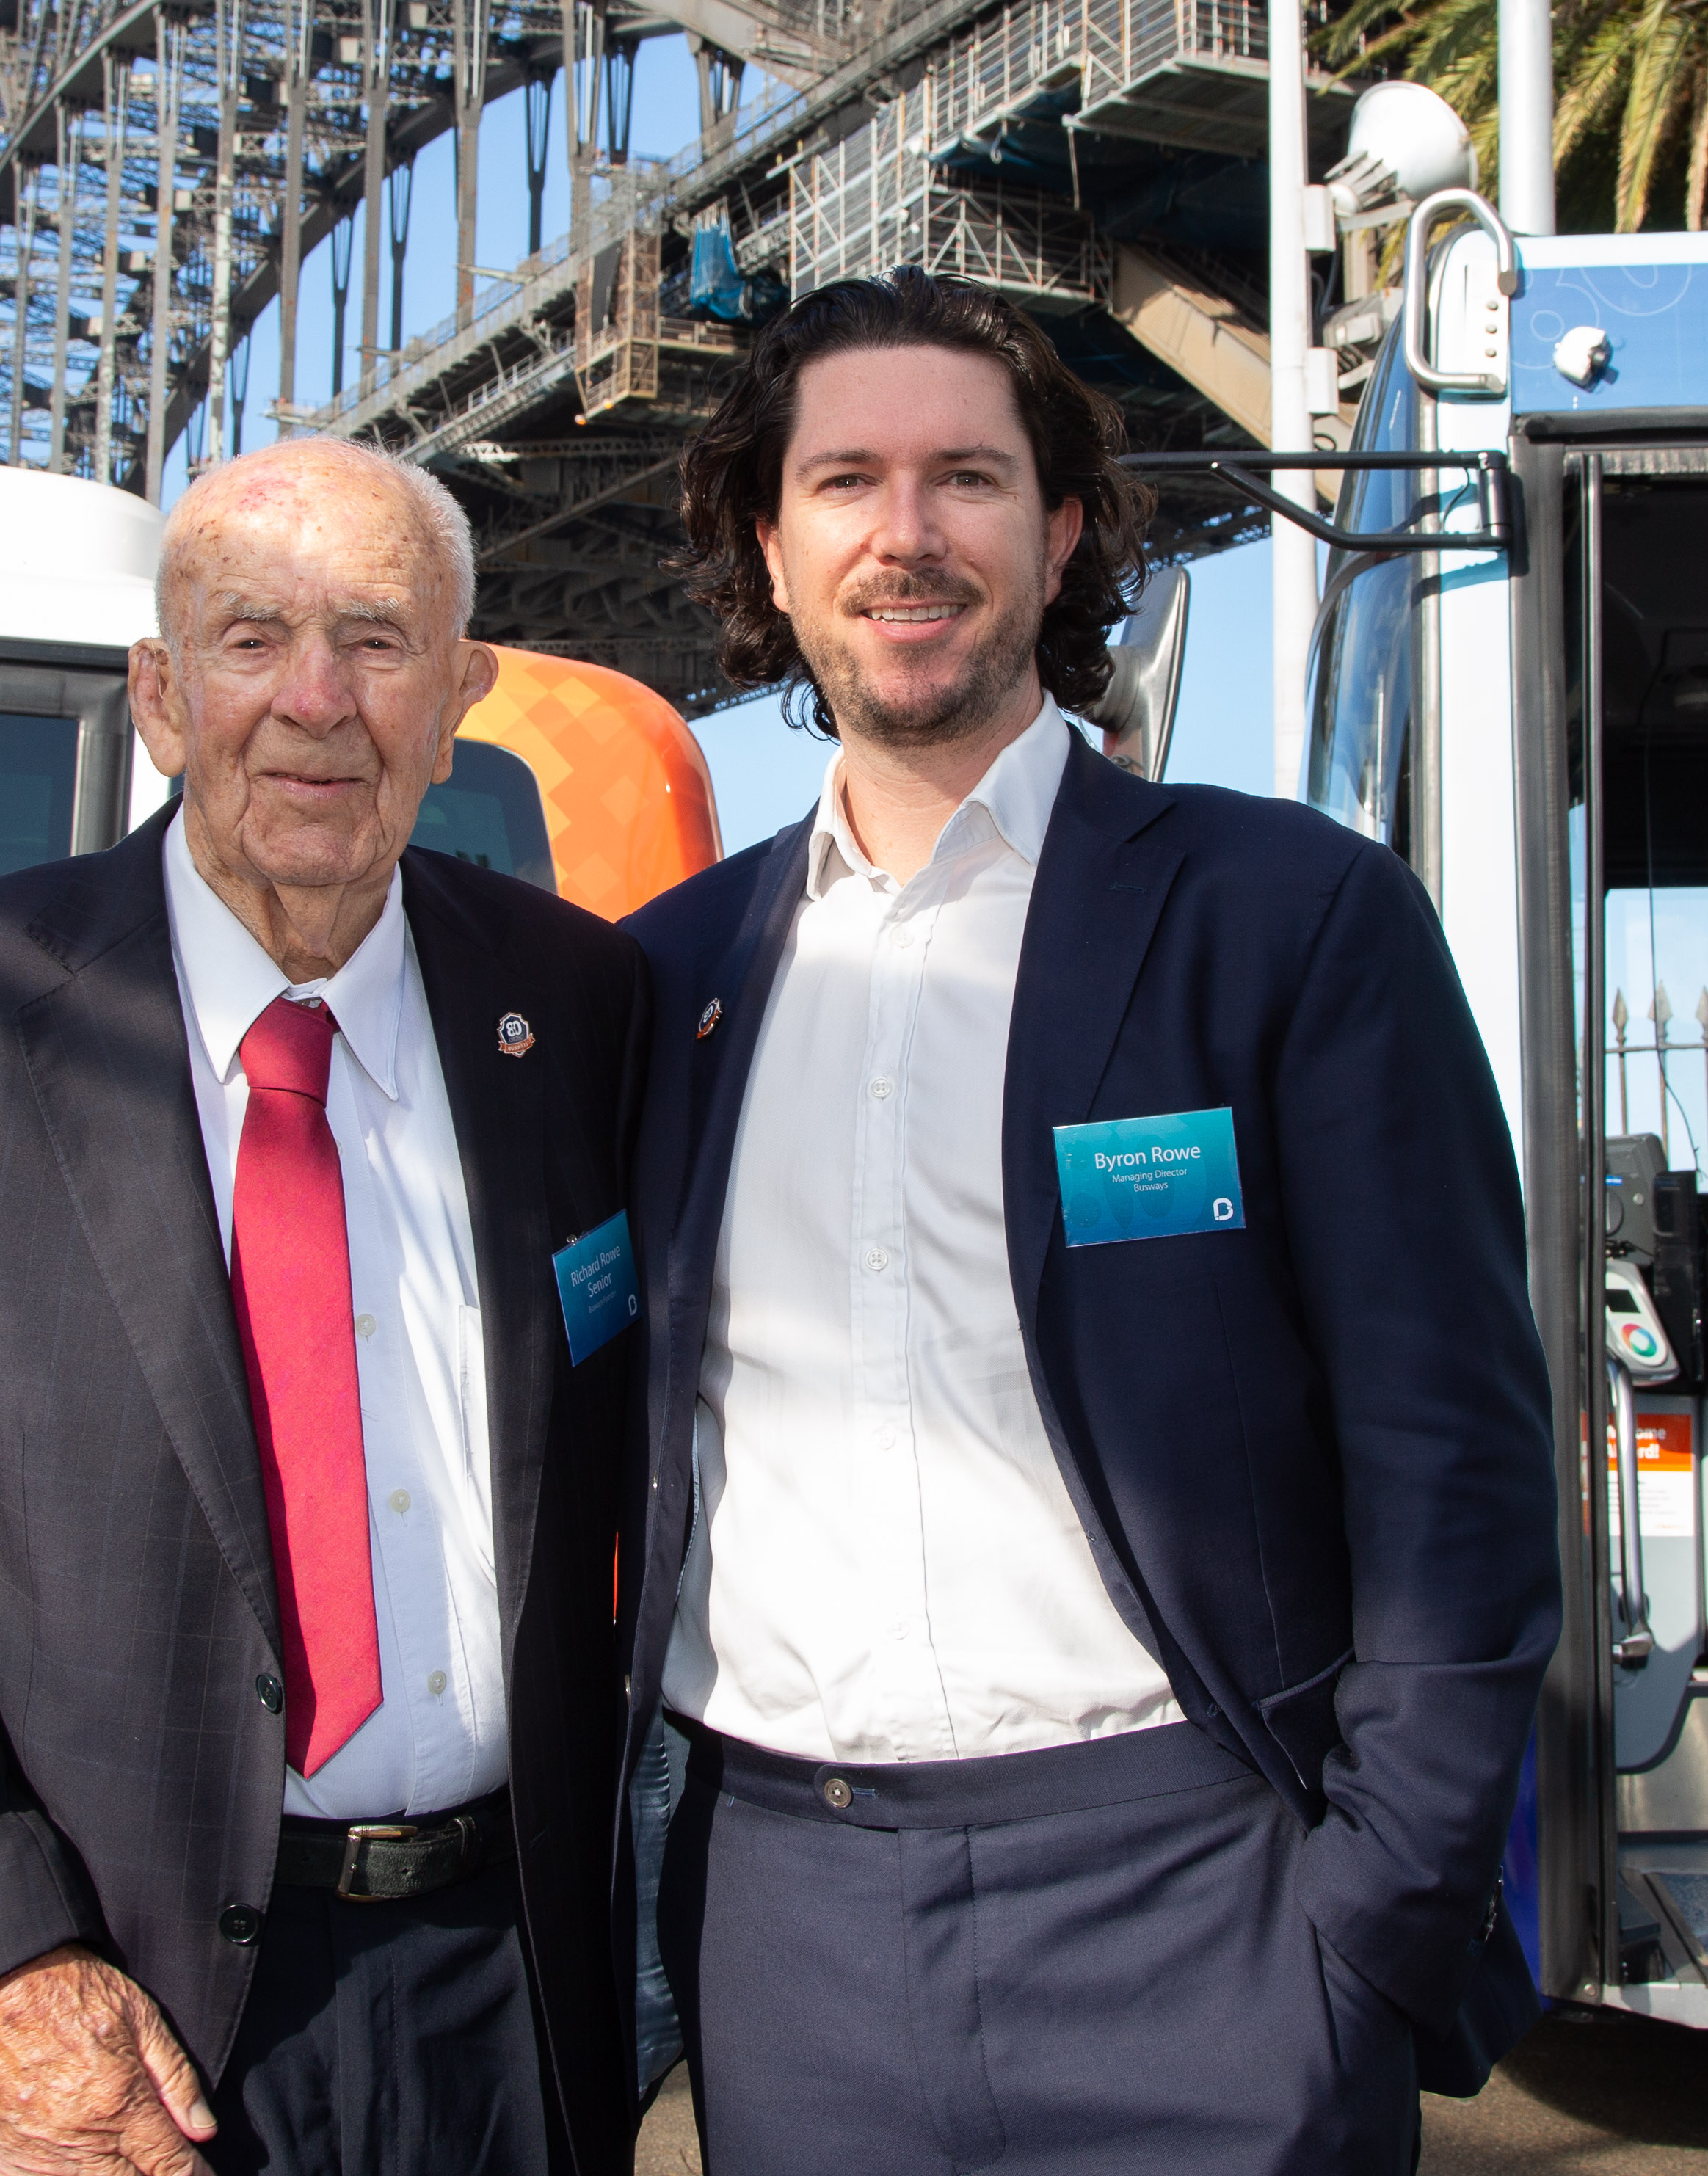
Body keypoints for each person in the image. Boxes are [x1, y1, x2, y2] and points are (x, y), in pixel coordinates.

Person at [622, 272, 1554, 2176]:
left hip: (1203, 1912)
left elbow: (1451, 1463)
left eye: (968, 478)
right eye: (846, 484)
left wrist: (1365, 1931)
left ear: (1059, 537)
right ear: (767, 550)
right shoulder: (670, 978)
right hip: (791, 1929)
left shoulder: (1287, 920)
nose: (907, 536)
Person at [0, 437, 647, 2176]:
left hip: (511, 2004)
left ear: (459, 695)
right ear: (160, 695)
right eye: (250, 639)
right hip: (116, 2001)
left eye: (380, 642)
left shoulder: (581, 1004)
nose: (317, 703)